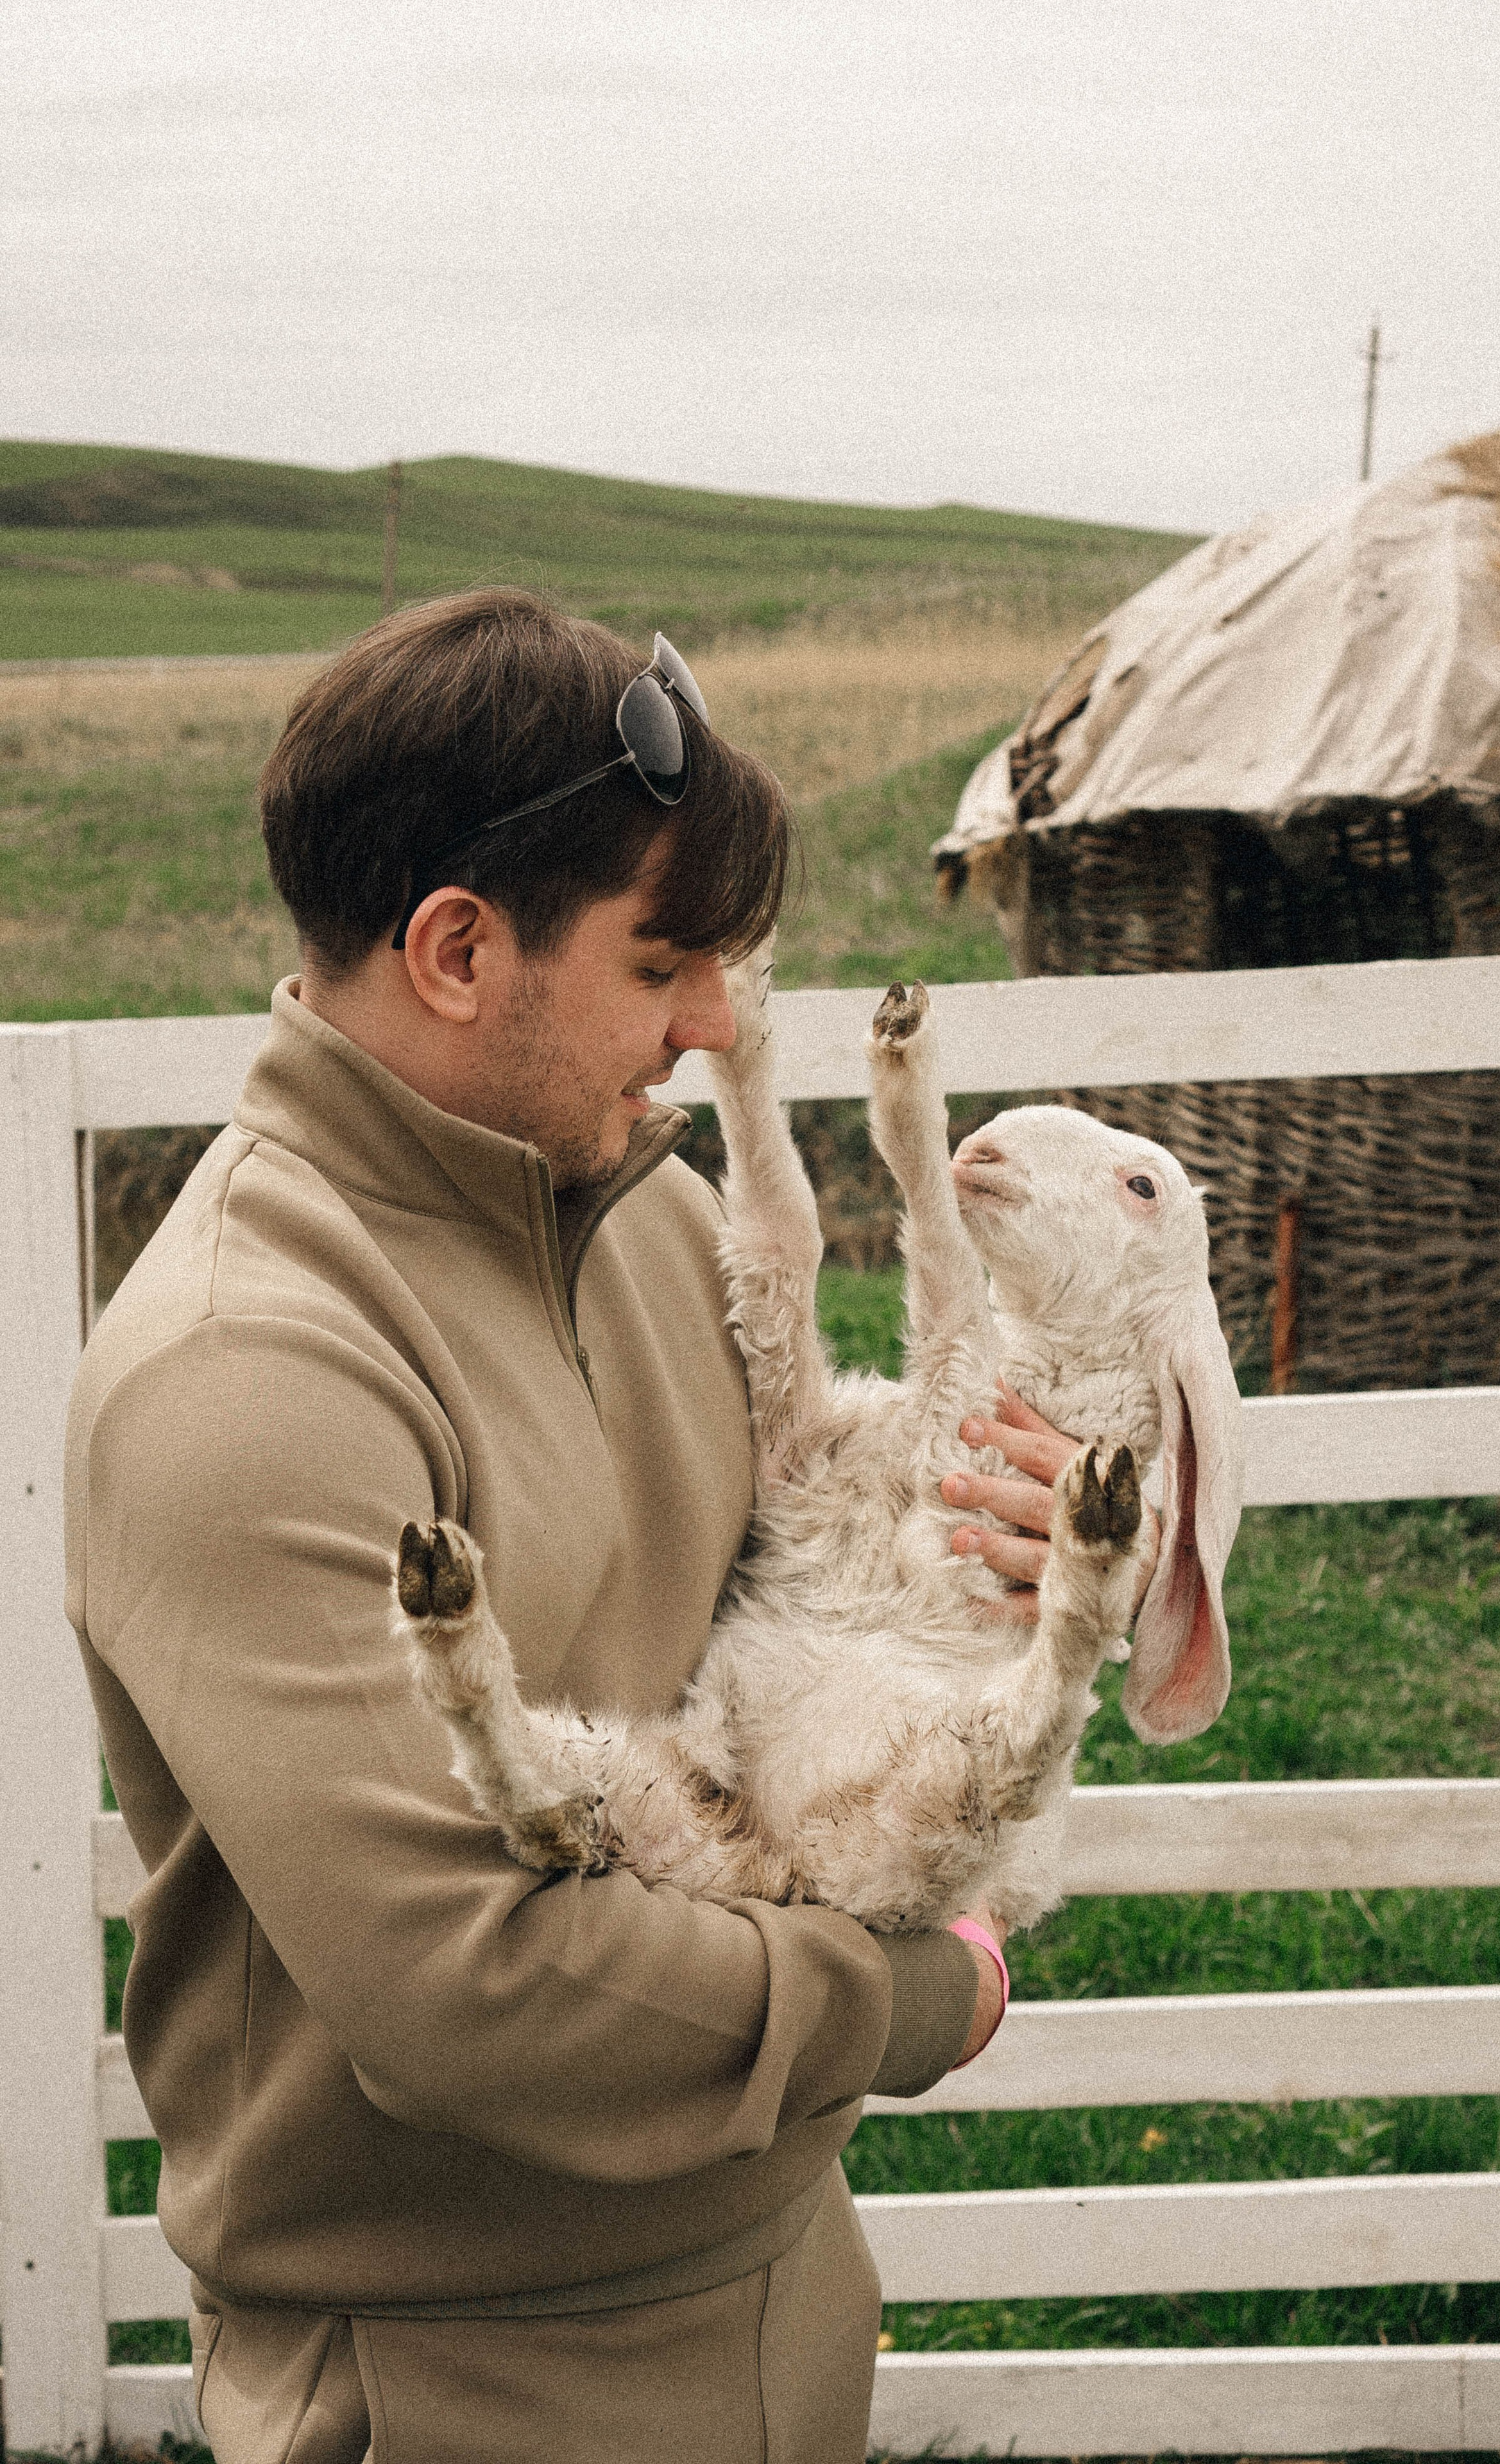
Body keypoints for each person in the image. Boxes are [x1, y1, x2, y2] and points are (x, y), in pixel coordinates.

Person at [65, 588, 1077, 2464]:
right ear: (456, 949)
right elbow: (467, 1995)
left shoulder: (649, 1221)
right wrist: (921, 1998)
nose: (712, 1026)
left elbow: (768, 1675)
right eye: (662, 961)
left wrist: (975, 1569)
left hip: (784, 2277)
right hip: (464, 2374)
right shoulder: (243, 1372)